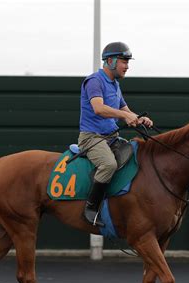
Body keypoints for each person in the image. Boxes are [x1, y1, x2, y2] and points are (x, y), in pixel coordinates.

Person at [79, 41, 154, 227]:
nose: (127, 66)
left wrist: (139, 119)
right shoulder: (94, 81)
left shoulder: (114, 85)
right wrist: (124, 115)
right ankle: (91, 208)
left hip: (110, 138)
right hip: (92, 138)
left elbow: (124, 109)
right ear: (110, 61)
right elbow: (98, 109)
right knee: (109, 164)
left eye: (128, 62)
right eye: (124, 61)